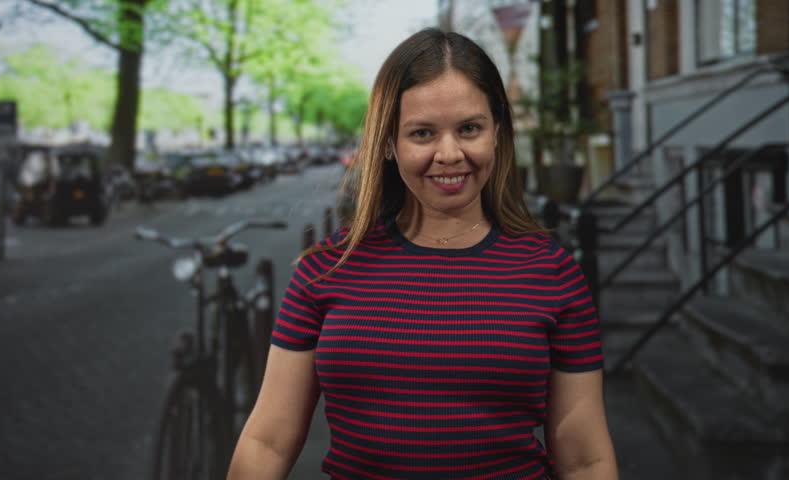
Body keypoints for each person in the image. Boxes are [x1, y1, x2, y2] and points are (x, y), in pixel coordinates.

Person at [227, 28, 619, 480]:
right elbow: (267, 442)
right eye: (423, 133)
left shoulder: (552, 273)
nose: (449, 153)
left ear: (497, 133)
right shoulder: (325, 269)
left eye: (469, 128)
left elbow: (585, 459)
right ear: (390, 144)